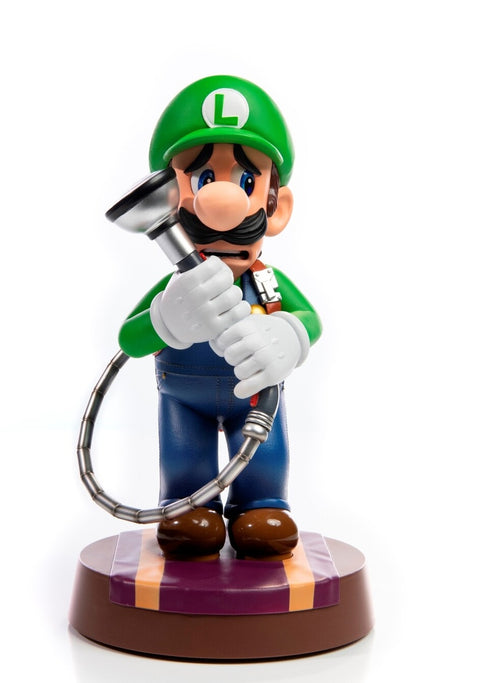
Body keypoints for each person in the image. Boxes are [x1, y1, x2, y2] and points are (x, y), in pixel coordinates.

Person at [118, 75, 321, 560]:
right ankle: (190, 507)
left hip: (255, 399)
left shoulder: (268, 283)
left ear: (275, 207)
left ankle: (261, 504)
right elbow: (129, 339)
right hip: (182, 400)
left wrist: (290, 334)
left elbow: (310, 319)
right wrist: (163, 320)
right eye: (203, 180)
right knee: (184, 463)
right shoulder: (173, 291)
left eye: (247, 182)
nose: (222, 205)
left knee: (265, 461)